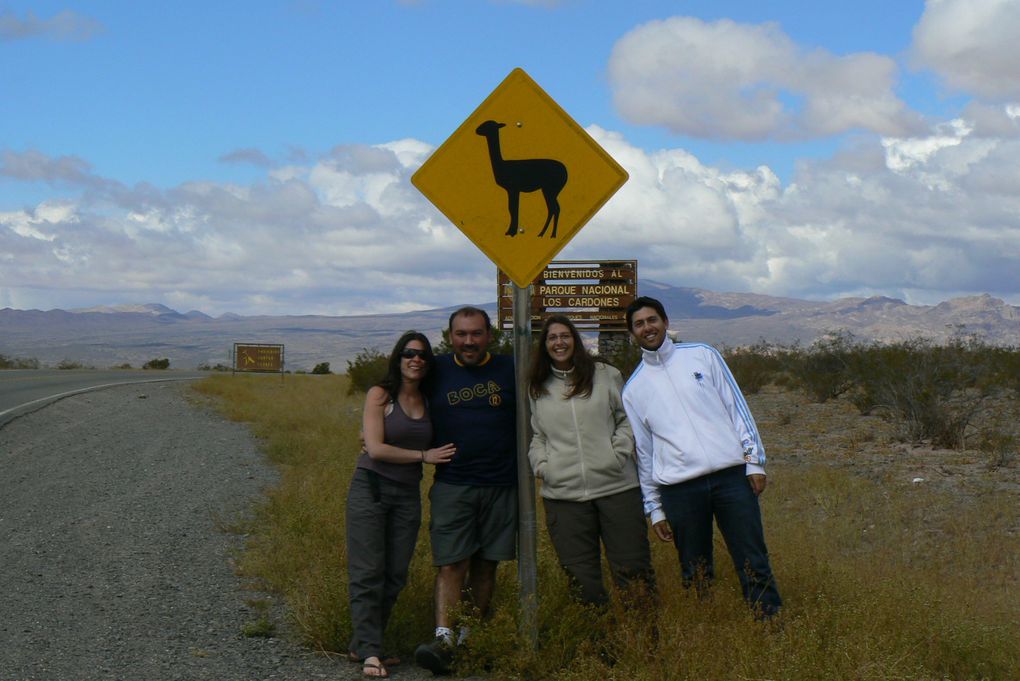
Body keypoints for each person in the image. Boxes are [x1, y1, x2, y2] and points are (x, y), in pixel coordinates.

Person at [621, 296, 782, 618]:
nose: (647, 328)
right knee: (694, 569)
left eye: (652, 320)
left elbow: (738, 410)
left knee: (753, 558)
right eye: (639, 324)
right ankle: (706, 628)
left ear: (665, 322)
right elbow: (644, 453)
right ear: (632, 333)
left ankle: (768, 624)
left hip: (731, 478)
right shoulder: (633, 389)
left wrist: (753, 462)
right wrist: (654, 509)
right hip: (679, 490)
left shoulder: (702, 356)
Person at [346, 331, 457, 679]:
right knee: (368, 572)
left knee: (395, 574)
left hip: (407, 495)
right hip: (372, 489)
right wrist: (423, 456)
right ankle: (370, 652)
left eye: (423, 355)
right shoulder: (380, 394)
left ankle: (364, 643)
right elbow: (376, 449)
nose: (416, 359)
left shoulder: (429, 399)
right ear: (398, 357)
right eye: (409, 353)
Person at [414, 306, 517, 675]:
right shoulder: (436, 370)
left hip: (502, 484)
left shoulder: (510, 368)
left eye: (476, 333)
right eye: (461, 334)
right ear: (450, 336)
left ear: (489, 335)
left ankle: (471, 640)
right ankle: (443, 639)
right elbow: (398, 395)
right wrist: (372, 431)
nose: (469, 341)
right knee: (452, 562)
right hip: (453, 483)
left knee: (486, 564)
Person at [526, 315, 654, 606]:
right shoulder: (537, 386)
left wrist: (618, 454)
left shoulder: (605, 374)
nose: (559, 342)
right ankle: (598, 646)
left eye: (564, 336)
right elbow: (538, 435)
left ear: (575, 339)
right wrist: (543, 466)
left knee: (634, 572)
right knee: (581, 580)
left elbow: (626, 420)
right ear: (544, 345)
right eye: (552, 337)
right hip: (564, 495)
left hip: (617, 488)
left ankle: (643, 643)